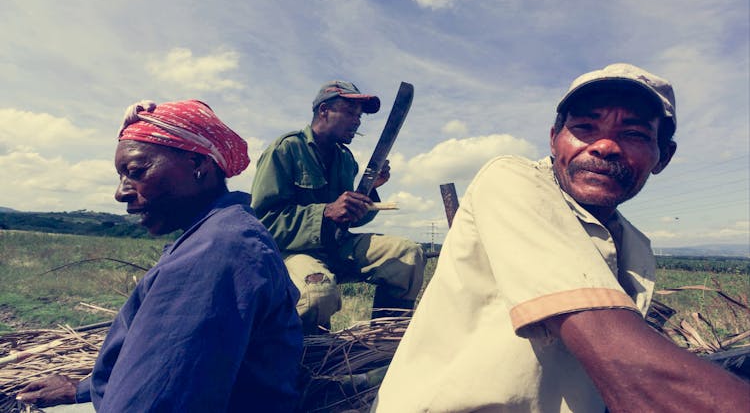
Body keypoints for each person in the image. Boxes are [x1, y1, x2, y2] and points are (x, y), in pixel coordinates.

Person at [373, 64, 750, 412]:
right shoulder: (510, 182)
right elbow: (632, 374)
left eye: (633, 133)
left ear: (663, 157)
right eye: (585, 127)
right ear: (554, 140)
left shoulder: (636, 244)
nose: (604, 146)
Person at [16, 100, 303, 412]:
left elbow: (152, 402)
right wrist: (86, 389)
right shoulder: (218, 233)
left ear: (198, 164)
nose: (120, 192)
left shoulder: (217, 252)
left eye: (136, 171)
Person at [251, 80, 425, 333]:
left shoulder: (345, 159)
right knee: (317, 293)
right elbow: (263, 221)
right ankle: (312, 364)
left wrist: (370, 190)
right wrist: (325, 212)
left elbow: (349, 217)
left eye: (360, 116)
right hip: (291, 251)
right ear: (324, 110)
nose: (357, 121)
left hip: (337, 245)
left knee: (406, 254)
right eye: (350, 113)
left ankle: (381, 346)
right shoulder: (286, 149)